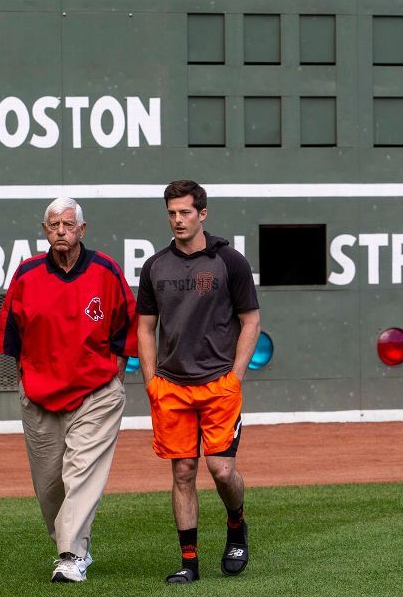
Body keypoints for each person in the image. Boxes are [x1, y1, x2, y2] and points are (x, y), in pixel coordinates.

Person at [0, 197, 136, 583]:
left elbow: (127, 328)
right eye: (53, 225)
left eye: (68, 225)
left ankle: (70, 554)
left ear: (82, 230)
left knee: (81, 473)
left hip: (96, 393)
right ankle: (72, 547)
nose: (60, 231)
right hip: (40, 395)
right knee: (50, 486)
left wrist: (115, 378)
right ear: (44, 231)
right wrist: (26, 380)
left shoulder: (106, 270)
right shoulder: (27, 273)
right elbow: (11, 337)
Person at [137, 180, 261, 584]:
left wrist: (235, 377)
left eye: (185, 212)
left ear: (202, 214)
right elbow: (145, 327)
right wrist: (152, 381)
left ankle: (236, 523)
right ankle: (189, 562)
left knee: (222, 471)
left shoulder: (230, 262)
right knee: (183, 472)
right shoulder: (155, 266)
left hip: (218, 385)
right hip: (171, 387)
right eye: (172, 213)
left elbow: (251, 321)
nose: (177, 220)